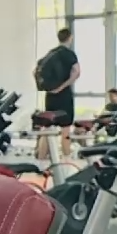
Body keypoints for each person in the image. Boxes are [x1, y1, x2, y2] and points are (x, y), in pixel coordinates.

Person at [34, 27, 80, 158]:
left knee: (47, 128)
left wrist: (49, 88)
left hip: (50, 95)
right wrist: (63, 86)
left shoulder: (50, 53)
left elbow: (35, 71)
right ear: (70, 38)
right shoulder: (69, 54)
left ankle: (41, 159)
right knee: (65, 128)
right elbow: (77, 71)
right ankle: (67, 158)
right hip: (64, 95)